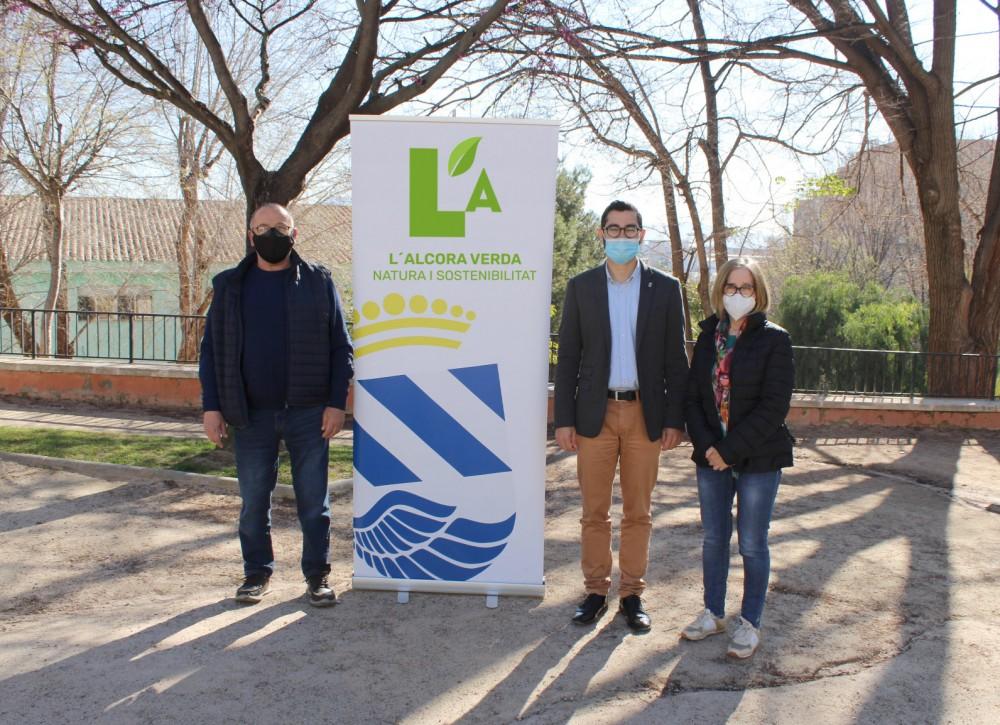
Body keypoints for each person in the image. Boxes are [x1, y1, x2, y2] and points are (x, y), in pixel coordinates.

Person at [199, 203, 354, 607]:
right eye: (263, 227)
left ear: (294, 234)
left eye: (281, 228)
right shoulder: (230, 285)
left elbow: (341, 346)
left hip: (309, 412)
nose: (272, 235)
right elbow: (211, 350)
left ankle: (317, 576)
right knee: (254, 501)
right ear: (250, 235)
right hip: (249, 414)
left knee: (313, 503)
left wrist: (336, 403)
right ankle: (256, 574)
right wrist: (212, 407)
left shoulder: (318, 281)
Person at [553, 200, 689, 631]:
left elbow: (676, 360)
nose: (622, 236)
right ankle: (595, 591)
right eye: (614, 229)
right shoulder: (582, 287)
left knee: (638, 512)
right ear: (602, 234)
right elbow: (568, 357)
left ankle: (632, 594)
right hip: (595, 416)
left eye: (630, 229)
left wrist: (674, 420)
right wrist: (563, 419)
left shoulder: (665, 289)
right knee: (594, 511)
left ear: (641, 235)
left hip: (645, 416)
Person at [681, 257, 794, 658]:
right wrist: (709, 448)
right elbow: (693, 398)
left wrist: (728, 451)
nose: (738, 294)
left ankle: (749, 622)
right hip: (711, 457)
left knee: (751, 543)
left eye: (746, 288)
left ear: (758, 292)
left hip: (758, 459)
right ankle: (713, 613)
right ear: (720, 291)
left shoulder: (775, 340)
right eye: (731, 287)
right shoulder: (708, 336)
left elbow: (773, 406)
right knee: (714, 538)